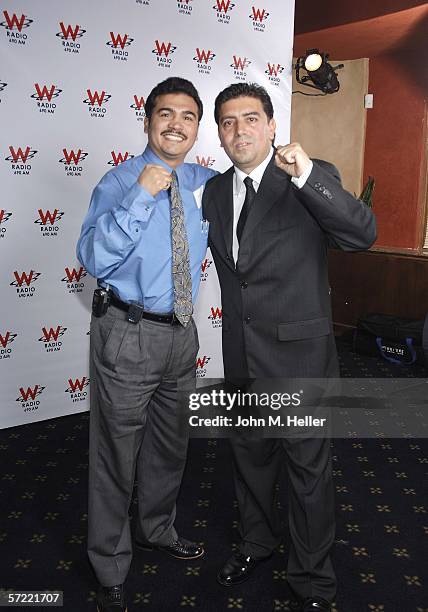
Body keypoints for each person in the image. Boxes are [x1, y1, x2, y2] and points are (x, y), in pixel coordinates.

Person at [202, 82, 376, 612]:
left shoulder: (308, 174)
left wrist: (304, 175)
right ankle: (258, 543)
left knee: (306, 474)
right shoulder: (212, 191)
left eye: (251, 118)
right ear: (219, 133)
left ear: (273, 125)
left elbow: (361, 234)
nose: (240, 131)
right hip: (242, 356)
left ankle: (313, 580)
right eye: (228, 122)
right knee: (250, 461)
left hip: (300, 359)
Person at [77, 77, 216, 612]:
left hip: (183, 334)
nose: (175, 124)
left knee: (170, 444)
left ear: (196, 126)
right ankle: (109, 561)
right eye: (165, 114)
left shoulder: (208, 182)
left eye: (186, 115)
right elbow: (93, 258)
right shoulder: (118, 181)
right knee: (116, 451)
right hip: (127, 335)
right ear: (148, 121)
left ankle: (158, 529)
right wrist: (143, 196)